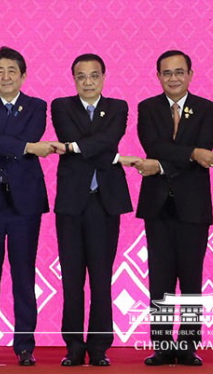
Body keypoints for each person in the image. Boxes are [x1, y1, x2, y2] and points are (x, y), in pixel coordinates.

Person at [0, 46, 54, 367]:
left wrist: (14, 143)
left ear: (23, 75)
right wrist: (27, 147)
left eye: (12, 71)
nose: (5, 76)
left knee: (23, 275)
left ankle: (24, 345)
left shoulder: (37, 106)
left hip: (25, 202)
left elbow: (20, 136)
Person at [133, 50, 213, 366]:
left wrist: (167, 165)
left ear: (190, 75)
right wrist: (191, 153)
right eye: (167, 73)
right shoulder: (148, 107)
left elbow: (205, 151)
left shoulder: (207, 109)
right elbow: (152, 146)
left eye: (179, 72)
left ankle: (189, 344)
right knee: (160, 279)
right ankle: (162, 344)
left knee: (192, 279)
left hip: (194, 206)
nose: (173, 78)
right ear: (158, 77)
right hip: (157, 205)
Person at [50, 53, 133, 367]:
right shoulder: (60, 106)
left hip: (105, 202)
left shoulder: (118, 107)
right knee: (71, 279)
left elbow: (110, 139)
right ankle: (73, 345)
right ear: (74, 80)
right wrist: (104, 151)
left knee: (101, 277)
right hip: (72, 204)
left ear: (103, 78)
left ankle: (99, 346)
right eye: (81, 76)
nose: (87, 82)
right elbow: (94, 143)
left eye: (93, 76)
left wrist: (74, 148)